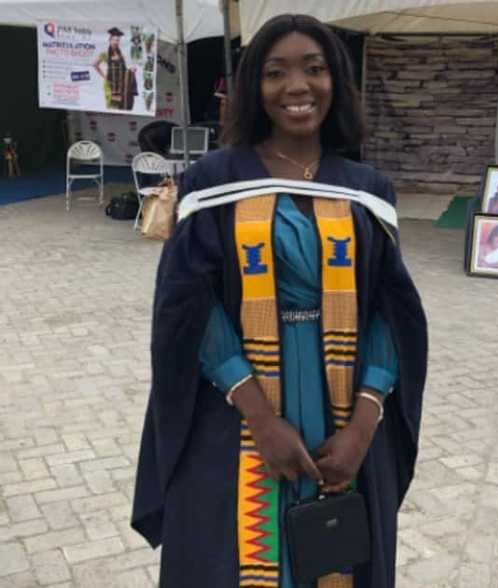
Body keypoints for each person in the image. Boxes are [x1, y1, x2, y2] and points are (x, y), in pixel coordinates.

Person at [130, 14, 428, 588]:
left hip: (343, 408)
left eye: (314, 70)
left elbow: (394, 313)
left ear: (336, 81)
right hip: (237, 405)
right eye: (276, 72)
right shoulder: (215, 180)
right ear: (253, 87)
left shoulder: (367, 188)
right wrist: (262, 420)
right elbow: (188, 305)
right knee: (231, 554)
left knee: (339, 556)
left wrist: (365, 423)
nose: (297, 86)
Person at [93, 28, 136, 110]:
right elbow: (95, 65)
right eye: (114, 40)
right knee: (112, 106)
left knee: (119, 107)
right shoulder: (104, 54)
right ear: (110, 40)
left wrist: (130, 71)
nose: (116, 42)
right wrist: (104, 76)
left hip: (120, 84)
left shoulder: (121, 55)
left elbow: (124, 69)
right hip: (110, 84)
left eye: (118, 40)